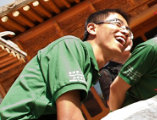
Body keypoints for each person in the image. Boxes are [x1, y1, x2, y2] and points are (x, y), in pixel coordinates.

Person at [0, 9, 132, 120]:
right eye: (117, 24)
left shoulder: (92, 71)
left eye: (128, 30)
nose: (125, 32)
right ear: (92, 28)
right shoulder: (70, 45)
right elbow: (69, 115)